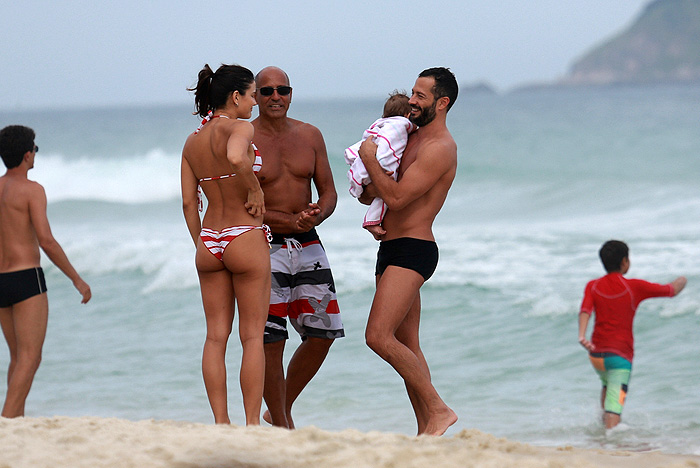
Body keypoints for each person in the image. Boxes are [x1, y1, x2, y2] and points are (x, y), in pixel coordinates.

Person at [357, 67, 459, 436]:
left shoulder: (439, 148)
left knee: (378, 337)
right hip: (391, 247)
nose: (412, 102)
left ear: (442, 103)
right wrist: (369, 170)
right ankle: (426, 431)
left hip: (414, 250)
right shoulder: (408, 137)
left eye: (421, 96)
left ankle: (439, 409)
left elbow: (397, 198)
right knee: (407, 344)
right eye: (413, 94)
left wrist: (369, 156)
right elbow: (374, 191)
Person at [252, 66, 344, 429]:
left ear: (291, 94)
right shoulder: (245, 138)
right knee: (270, 339)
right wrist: (287, 221)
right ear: (255, 95)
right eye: (268, 91)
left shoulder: (310, 135)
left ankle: (278, 408)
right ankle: (284, 423)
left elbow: (330, 192)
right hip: (264, 243)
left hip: (308, 242)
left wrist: (316, 214)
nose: (276, 97)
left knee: (323, 332)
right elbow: (243, 203)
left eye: (283, 90)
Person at [181, 63, 271, 425]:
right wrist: (254, 188)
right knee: (251, 338)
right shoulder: (240, 127)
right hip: (243, 236)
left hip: (210, 242)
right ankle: (250, 425)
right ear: (236, 97)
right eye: (252, 95)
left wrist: (202, 243)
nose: (254, 104)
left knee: (215, 338)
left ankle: (220, 423)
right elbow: (236, 157)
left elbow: (189, 203)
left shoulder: (193, 141)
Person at [0, 125, 91, 418]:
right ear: (27, 155)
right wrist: (76, 279)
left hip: (1, 281)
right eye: (35, 150)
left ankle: (17, 420)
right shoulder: (32, 190)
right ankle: (7, 420)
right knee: (31, 357)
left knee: (17, 358)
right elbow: (47, 241)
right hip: (27, 278)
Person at [578, 240, 686, 429]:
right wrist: (683, 279)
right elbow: (671, 290)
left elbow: (585, 310)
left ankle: (602, 437)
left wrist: (582, 335)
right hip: (619, 358)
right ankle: (610, 444)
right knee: (615, 403)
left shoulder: (592, 285)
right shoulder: (634, 287)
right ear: (625, 262)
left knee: (607, 385)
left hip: (596, 357)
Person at [344, 91, 417, 239]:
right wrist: (378, 165)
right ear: (407, 115)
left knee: (384, 193)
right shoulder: (400, 125)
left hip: (368, 167)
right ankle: (372, 220)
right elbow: (386, 146)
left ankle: (372, 221)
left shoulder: (379, 125)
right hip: (379, 165)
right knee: (385, 193)